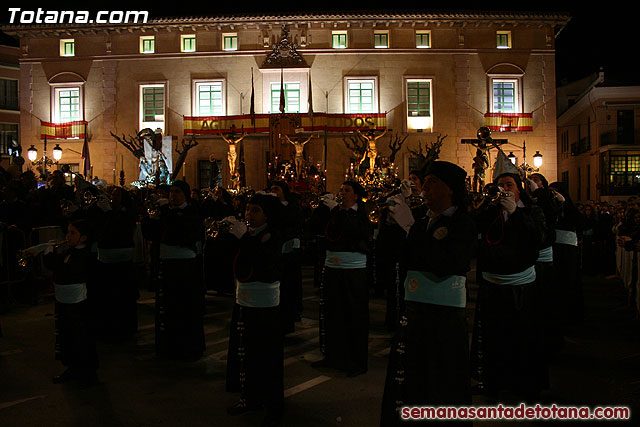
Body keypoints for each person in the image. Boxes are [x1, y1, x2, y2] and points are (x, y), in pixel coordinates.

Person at [380, 161, 476, 426]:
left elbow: (446, 264)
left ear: (451, 190)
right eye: (426, 182)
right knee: (411, 380)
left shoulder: (462, 223)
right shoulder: (423, 222)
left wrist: (410, 228)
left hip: (443, 317)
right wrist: (392, 227)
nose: (425, 188)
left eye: (432, 181)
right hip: (415, 312)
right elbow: (398, 258)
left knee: (441, 381)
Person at [471, 171, 548, 402]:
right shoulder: (491, 210)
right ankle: (493, 384)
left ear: (519, 188)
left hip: (520, 286)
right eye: (500, 185)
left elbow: (541, 237)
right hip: (493, 284)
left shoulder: (531, 210)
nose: (504, 189)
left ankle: (523, 386)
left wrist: (515, 213)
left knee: (522, 338)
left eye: (509, 185)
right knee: (494, 338)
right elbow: (474, 229)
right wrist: (483, 205)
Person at [225, 193, 284, 426]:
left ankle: (273, 405)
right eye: (247, 209)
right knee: (246, 351)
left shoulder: (273, 235)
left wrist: (244, 239)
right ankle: (249, 397)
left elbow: (265, 263)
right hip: (245, 300)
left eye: (255, 210)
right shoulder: (249, 235)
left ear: (267, 214)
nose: (248, 214)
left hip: (265, 304)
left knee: (267, 356)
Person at [312, 180, 373, 377]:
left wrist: (343, 213)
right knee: (333, 312)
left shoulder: (362, 215)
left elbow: (356, 233)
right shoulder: (336, 212)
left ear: (356, 196)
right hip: (333, 267)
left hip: (353, 270)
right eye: (341, 189)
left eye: (347, 190)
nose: (342, 193)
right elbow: (321, 230)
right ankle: (332, 355)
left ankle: (356, 360)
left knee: (354, 314)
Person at [142, 180, 205, 361]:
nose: (173, 195)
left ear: (184, 194)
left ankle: (188, 348)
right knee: (167, 307)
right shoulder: (165, 212)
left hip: (185, 267)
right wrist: (151, 218)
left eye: (177, 192)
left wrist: (166, 218)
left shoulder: (192, 212)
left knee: (185, 308)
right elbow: (152, 234)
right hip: (167, 265)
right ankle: (167, 346)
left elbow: (181, 233)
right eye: (171, 192)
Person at [43, 219, 99, 386]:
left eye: (72, 233)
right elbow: (58, 265)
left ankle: (86, 373)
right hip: (65, 303)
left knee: (80, 337)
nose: (67, 236)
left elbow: (66, 269)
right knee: (67, 336)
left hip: (79, 305)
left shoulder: (85, 256)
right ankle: (72, 368)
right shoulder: (69, 252)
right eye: (67, 232)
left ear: (83, 238)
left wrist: (50, 256)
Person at [93, 186, 139, 341]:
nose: (114, 197)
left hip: (122, 257)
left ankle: (125, 328)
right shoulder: (106, 211)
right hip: (106, 255)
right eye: (112, 194)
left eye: (117, 194)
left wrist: (109, 213)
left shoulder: (127, 213)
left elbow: (121, 229)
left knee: (122, 294)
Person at [270, 180, 304, 334]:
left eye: (276, 189)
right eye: (271, 189)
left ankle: (293, 311)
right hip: (276, 250)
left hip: (290, 251)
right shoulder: (272, 207)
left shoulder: (292, 206)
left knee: (291, 283)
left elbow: (295, 224)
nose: (273, 192)